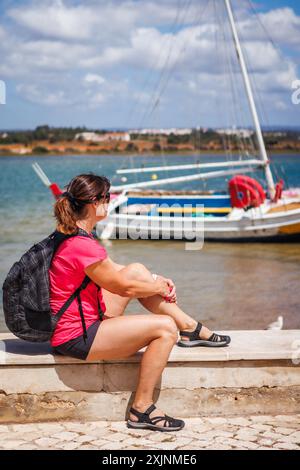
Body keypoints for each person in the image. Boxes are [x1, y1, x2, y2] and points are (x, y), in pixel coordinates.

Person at [50, 173, 231, 432]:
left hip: (82, 319)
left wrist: (156, 279)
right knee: (165, 328)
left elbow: (120, 274)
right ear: (93, 202)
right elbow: (121, 286)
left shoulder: (73, 234)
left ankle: (190, 327)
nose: (110, 202)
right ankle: (142, 409)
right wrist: (158, 286)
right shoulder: (82, 245)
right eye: (107, 198)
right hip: (76, 336)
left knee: (136, 270)